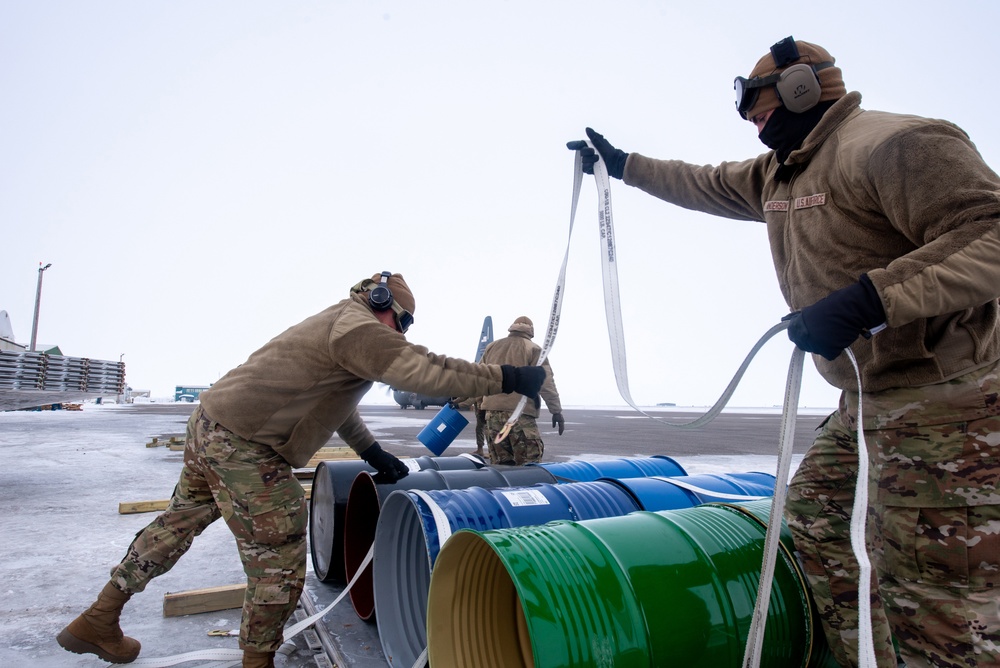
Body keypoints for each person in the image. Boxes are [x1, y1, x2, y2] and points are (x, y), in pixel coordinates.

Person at [568, 37, 1000, 668]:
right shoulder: (782, 169)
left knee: (938, 585)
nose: (751, 121)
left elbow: (990, 231)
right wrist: (624, 164)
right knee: (818, 519)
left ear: (804, 87)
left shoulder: (895, 143)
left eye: (759, 106)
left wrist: (872, 300)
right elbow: (704, 182)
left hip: (946, 405)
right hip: (864, 403)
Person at [56, 272, 546, 668]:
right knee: (281, 553)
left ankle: (98, 619)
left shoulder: (342, 326)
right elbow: (420, 368)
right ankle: (257, 662)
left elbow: (336, 407)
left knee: (176, 524)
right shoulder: (358, 327)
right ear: (383, 304)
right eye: (403, 322)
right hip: (243, 444)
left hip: (211, 426)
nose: (401, 333)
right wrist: (505, 376)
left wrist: (373, 453)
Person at [477, 316, 564, 465]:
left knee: (501, 467)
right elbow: (545, 383)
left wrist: (477, 405)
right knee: (529, 465)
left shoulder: (492, 347)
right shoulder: (534, 349)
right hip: (519, 416)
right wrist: (556, 411)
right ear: (531, 332)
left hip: (492, 416)